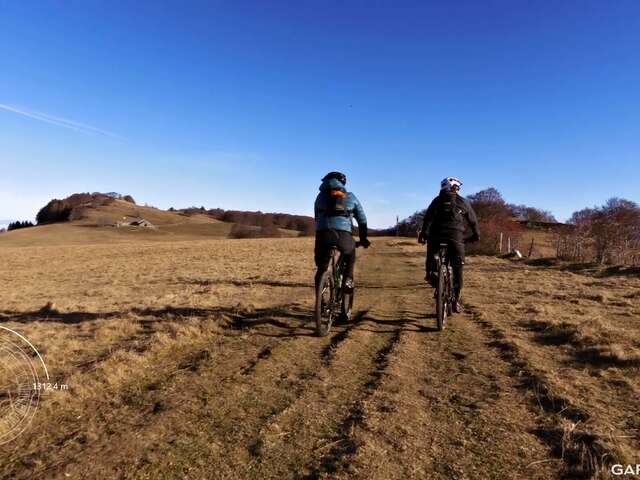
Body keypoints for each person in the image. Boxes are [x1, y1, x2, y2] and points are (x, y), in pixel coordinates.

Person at [418, 177, 479, 313]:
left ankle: (431, 275)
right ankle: (455, 301)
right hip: (456, 237)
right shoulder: (463, 201)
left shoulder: (436, 201)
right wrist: (476, 235)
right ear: (455, 188)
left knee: (431, 255)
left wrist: (423, 235)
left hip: (436, 236)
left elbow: (427, 218)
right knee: (457, 269)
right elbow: (473, 221)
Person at [314, 171, 370, 291]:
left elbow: (317, 218)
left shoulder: (319, 197)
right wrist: (363, 239)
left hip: (323, 235)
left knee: (321, 269)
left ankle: (320, 300)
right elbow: (362, 219)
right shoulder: (351, 196)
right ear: (342, 183)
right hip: (343, 235)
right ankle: (348, 280)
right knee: (350, 251)